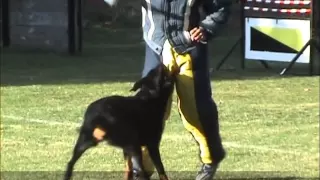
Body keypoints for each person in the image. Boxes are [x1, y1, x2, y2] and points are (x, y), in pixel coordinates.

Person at [105, 0, 233, 179]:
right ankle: (139, 168)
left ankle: (210, 159)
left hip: (189, 45)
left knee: (195, 109)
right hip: (156, 46)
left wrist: (206, 27)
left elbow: (222, 6)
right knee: (144, 110)